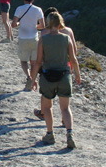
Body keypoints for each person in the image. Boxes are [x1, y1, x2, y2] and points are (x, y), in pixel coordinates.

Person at [30, 11, 81, 148]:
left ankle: (50, 134)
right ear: (60, 23)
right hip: (64, 75)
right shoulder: (66, 38)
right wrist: (77, 74)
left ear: (48, 23)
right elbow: (73, 59)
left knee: (47, 107)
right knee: (65, 108)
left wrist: (33, 79)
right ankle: (70, 134)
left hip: (48, 77)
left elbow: (39, 61)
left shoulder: (43, 40)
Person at [33, 7, 77, 121]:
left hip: (48, 66)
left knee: (46, 94)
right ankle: (64, 120)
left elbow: (41, 54)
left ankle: (43, 113)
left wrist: (34, 76)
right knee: (65, 99)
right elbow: (74, 52)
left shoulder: (44, 33)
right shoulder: (68, 31)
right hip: (65, 65)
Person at [11, 0, 45, 90]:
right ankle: (33, 80)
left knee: (23, 60)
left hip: (23, 38)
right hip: (34, 38)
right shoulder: (38, 9)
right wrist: (34, 26)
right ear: (32, 0)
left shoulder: (19, 9)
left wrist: (19, 24)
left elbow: (13, 24)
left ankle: (28, 77)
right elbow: (42, 26)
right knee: (33, 62)